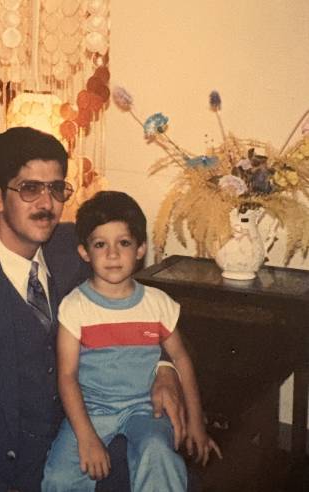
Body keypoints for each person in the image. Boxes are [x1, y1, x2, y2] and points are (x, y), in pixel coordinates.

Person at [0, 127, 186, 492]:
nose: (47, 204)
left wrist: (165, 369)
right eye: (30, 188)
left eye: (56, 188)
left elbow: (146, 311)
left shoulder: (78, 250)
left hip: (80, 451)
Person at [42, 191, 222, 492]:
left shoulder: (157, 303)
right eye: (100, 244)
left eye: (123, 243)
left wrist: (196, 424)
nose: (112, 254)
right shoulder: (75, 307)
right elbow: (67, 376)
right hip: (92, 409)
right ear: (84, 252)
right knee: (59, 478)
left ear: (140, 249)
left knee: (158, 452)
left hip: (145, 408)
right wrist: (86, 437)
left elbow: (181, 359)